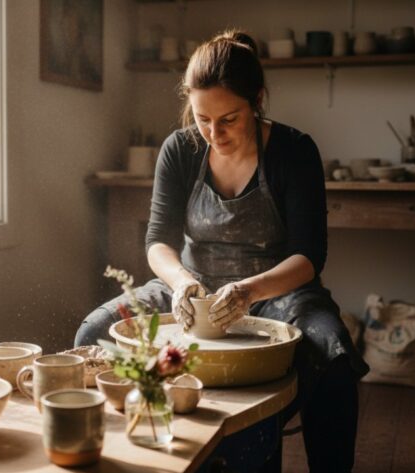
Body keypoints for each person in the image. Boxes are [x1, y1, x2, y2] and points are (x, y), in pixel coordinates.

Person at [75, 29, 369, 472]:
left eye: (229, 118)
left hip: (277, 292)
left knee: (334, 359)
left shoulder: (294, 150)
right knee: (92, 335)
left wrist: (248, 292)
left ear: (257, 100)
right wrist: (180, 282)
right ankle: (133, 458)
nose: (214, 133)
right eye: (202, 119)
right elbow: (158, 241)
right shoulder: (179, 149)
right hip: (189, 286)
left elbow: (310, 256)